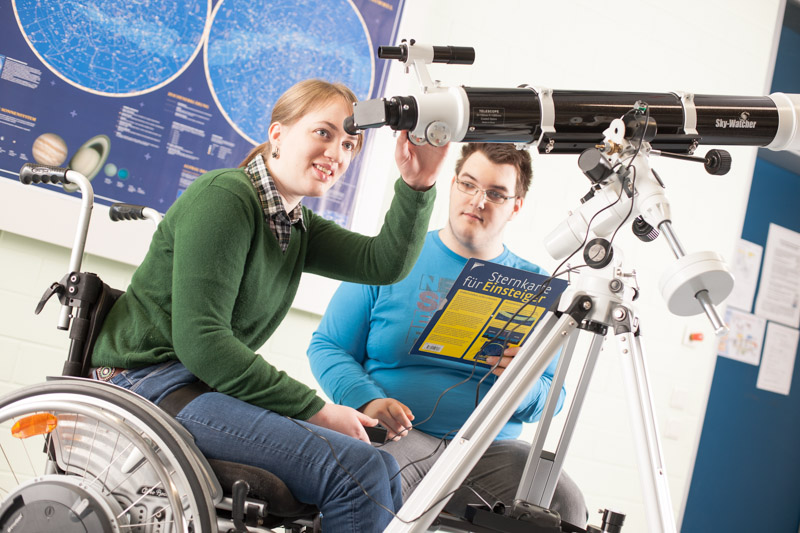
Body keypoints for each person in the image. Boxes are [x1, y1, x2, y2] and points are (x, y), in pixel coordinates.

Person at [91, 79, 449, 532]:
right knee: (358, 470)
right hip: (149, 385)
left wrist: (419, 183)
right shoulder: (226, 196)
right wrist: (317, 410)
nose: (337, 153)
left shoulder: (295, 223)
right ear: (277, 135)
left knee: (376, 467)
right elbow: (202, 342)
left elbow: (384, 263)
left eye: (349, 143)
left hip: (198, 386)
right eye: (323, 133)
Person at [308, 142, 588, 526]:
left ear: (516, 206)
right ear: (453, 184)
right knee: (365, 491)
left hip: (488, 450)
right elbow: (328, 347)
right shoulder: (392, 258)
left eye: (495, 194)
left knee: (565, 503)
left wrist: (523, 382)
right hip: (400, 437)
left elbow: (554, 399)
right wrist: (367, 401)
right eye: (469, 185)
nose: (478, 201)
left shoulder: (538, 288)